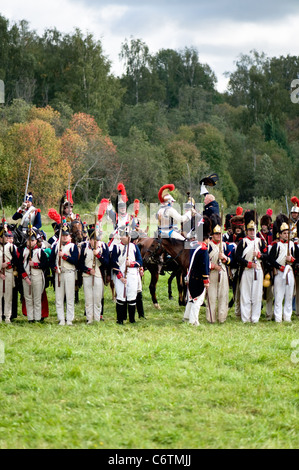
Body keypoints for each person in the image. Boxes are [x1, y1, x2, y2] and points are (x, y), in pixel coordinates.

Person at [235, 210, 268, 324]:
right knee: (245, 295)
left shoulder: (260, 242)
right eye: (250, 230)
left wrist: (260, 255)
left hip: (258, 270)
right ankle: (245, 318)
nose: (252, 232)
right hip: (247, 270)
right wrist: (247, 263)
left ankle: (255, 318)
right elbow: (237, 257)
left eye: (253, 229)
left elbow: (267, 256)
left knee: (257, 295)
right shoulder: (242, 242)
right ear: (246, 230)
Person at [268, 214, 299, 323]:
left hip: (289, 271)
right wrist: (279, 267)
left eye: (288, 233)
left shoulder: (293, 245)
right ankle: (278, 317)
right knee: (279, 295)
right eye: (284, 233)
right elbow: (270, 259)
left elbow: (298, 259)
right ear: (280, 234)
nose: (286, 235)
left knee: (289, 296)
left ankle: (287, 317)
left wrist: (292, 260)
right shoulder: (276, 246)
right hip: (280, 272)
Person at [111, 227, 143, 324]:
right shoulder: (116, 247)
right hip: (121, 276)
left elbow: (140, 261)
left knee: (132, 296)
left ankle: (132, 319)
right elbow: (113, 263)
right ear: (121, 237)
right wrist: (120, 277)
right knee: (120, 297)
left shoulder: (134, 247)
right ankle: (120, 319)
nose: (128, 238)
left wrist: (132, 264)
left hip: (132, 275)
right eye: (126, 236)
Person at [78, 226, 110, 324]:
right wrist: (88, 270)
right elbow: (80, 264)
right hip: (87, 276)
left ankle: (97, 318)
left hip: (98, 276)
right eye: (94, 240)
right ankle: (89, 318)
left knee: (97, 298)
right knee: (88, 299)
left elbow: (107, 263)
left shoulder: (103, 248)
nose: (96, 242)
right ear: (90, 240)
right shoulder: (84, 248)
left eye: (97, 240)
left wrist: (98, 255)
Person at [49, 222, 79, 326]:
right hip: (59, 273)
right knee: (59, 297)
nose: (65, 237)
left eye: (67, 235)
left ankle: (69, 319)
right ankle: (61, 318)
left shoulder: (73, 246)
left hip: (69, 273)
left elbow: (75, 261)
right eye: (63, 235)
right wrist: (54, 268)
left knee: (70, 297)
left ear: (69, 236)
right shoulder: (56, 246)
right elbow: (51, 260)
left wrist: (64, 256)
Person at [183, 216, 210, 326]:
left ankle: (186, 316)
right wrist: (206, 279)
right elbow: (204, 266)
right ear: (206, 238)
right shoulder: (203, 249)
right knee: (197, 300)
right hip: (199, 278)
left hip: (191, 275)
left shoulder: (193, 245)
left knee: (190, 298)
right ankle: (193, 320)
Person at [19, 228, 49, 323]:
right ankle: (30, 318)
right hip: (26, 277)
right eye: (28, 240)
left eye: (32, 240)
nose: (30, 242)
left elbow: (45, 265)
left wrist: (36, 265)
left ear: (36, 241)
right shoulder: (23, 251)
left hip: (37, 277)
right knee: (28, 298)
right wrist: (25, 277)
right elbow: (20, 266)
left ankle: (37, 317)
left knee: (37, 298)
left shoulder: (40, 252)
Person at [207, 214, 232, 323]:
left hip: (223, 272)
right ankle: (211, 318)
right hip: (212, 273)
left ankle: (222, 318)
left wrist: (225, 258)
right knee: (211, 297)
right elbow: (204, 261)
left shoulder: (225, 245)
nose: (218, 235)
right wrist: (212, 266)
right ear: (212, 234)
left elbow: (231, 260)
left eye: (219, 233)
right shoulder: (208, 245)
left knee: (223, 295)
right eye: (216, 234)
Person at [0, 228, 18, 323]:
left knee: (8, 296)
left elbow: (15, 260)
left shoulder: (11, 247)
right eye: (4, 237)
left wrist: (8, 264)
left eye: (7, 236)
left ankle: (7, 316)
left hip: (8, 273)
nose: (6, 238)